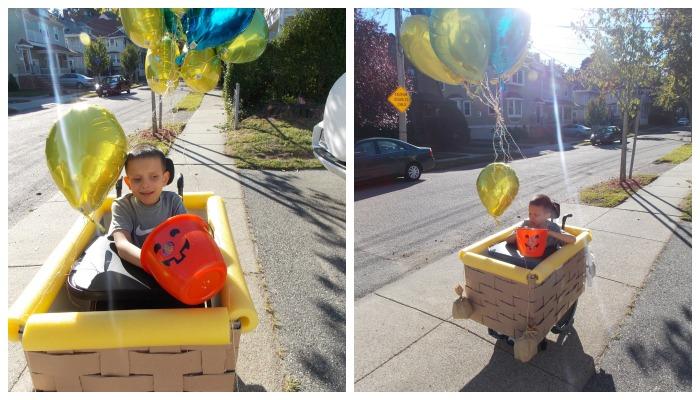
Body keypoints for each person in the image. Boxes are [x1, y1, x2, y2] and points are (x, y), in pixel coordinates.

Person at [108, 144, 186, 269]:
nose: (145, 185)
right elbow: (122, 244)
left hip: (173, 265)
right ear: (128, 183)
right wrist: (154, 264)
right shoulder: (122, 206)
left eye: (154, 177)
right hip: (139, 268)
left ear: (165, 178)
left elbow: (187, 234)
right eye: (137, 179)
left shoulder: (173, 201)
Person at [506, 194, 575, 249]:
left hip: (548, 261)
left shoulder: (553, 228)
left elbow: (572, 239)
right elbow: (508, 240)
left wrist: (549, 232)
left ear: (547, 216)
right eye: (530, 213)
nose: (531, 217)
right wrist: (519, 232)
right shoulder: (526, 224)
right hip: (527, 260)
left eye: (536, 215)